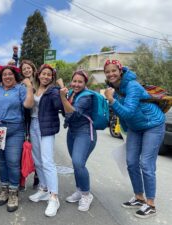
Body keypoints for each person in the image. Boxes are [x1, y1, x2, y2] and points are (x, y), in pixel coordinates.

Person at [103, 59, 165, 218]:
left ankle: (150, 204)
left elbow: (128, 112)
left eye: (113, 70)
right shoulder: (115, 90)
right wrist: (124, 132)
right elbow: (122, 114)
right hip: (136, 128)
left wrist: (111, 100)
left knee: (146, 163)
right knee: (131, 162)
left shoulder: (132, 86)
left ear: (120, 70)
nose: (111, 74)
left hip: (153, 124)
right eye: (107, 71)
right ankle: (139, 197)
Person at [0, 65, 34, 212]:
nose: (7, 77)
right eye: (5, 74)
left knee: (13, 162)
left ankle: (14, 192)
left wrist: (29, 87)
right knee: (2, 162)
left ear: (15, 76)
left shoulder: (20, 89)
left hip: (15, 130)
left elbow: (28, 104)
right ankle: (5, 189)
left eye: (10, 74)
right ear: (1, 76)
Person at [28, 64, 63, 217]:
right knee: (37, 160)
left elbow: (58, 106)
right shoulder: (35, 89)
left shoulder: (53, 91)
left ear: (52, 77)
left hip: (46, 126)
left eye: (49, 75)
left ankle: (54, 197)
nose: (46, 77)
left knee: (47, 161)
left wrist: (62, 91)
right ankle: (43, 188)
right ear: (39, 75)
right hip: (33, 124)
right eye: (44, 74)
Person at [59, 70, 96, 212]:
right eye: (74, 81)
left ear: (85, 83)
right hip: (72, 132)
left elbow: (73, 113)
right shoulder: (73, 94)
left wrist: (62, 98)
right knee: (77, 165)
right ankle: (79, 190)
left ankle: (86, 194)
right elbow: (64, 112)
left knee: (78, 162)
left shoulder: (87, 97)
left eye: (80, 82)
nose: (76, 84)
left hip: (85, 132)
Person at [19, 59, 39, 191]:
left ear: (33, 68)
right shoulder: (21, 84)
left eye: (28, 68)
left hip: (38, 119)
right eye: (24, 69)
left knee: (38, 151)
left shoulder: (39, 82)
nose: (26, 70)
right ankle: (22, 180)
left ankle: (38, 178)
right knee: (24, 149)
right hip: (26, 119)